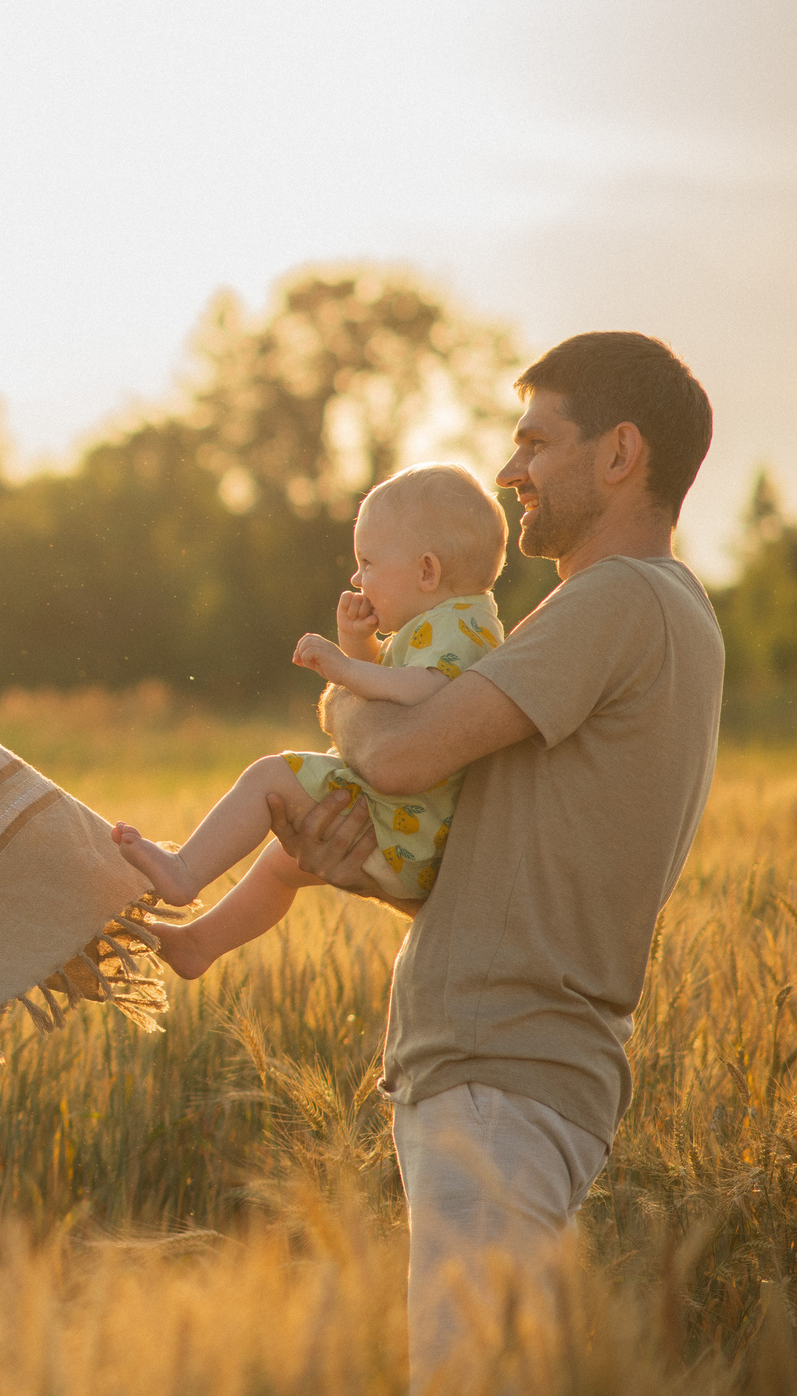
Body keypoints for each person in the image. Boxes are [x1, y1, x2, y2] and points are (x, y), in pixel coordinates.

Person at [264, 332, 722, 1391]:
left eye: (534, 441)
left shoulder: (618, 600)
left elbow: (405, 754)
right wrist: (364, 866)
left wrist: (345, 692)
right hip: (509, 1075)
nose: (509, 469)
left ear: (618, 454)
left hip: (502, 1080)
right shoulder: (653, 613)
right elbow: (514, 848)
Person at [110, 463, 509, 977]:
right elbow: (389, 690)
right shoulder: (446, 621)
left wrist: (343, 669)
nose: (356, 577)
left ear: (427, 572)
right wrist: (357, 644)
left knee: (269, 775)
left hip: (406, 823)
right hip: (409, 828)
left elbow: (428, 690)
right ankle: (198, 944)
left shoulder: (463, 626)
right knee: (282, 864)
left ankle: (185, 872)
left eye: (367, 562)